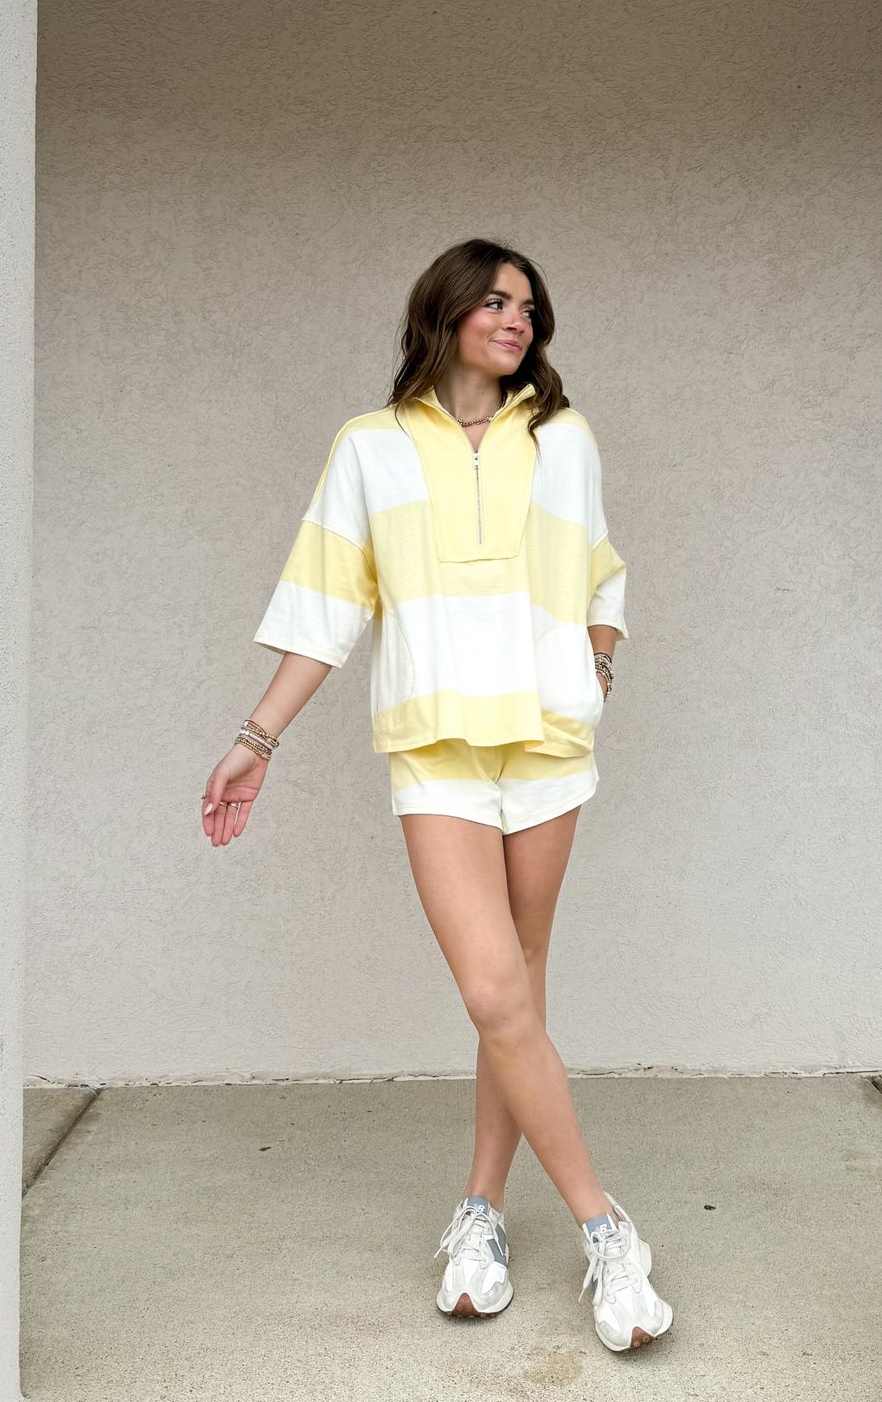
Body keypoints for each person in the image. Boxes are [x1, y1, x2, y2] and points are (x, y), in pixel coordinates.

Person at [201, 237, 673, 1353]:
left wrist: (597, 667)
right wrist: (257, 737)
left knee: (520, 989)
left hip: (547, 746)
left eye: (529, 308)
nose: (516, 321)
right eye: (495, 301)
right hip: (436, 751)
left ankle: (480, 1214)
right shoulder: (369, 448)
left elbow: (601, 571)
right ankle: (607, 1229)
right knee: (494, 992)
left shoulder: (562, 439)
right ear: (447, 311)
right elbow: (326, 604)